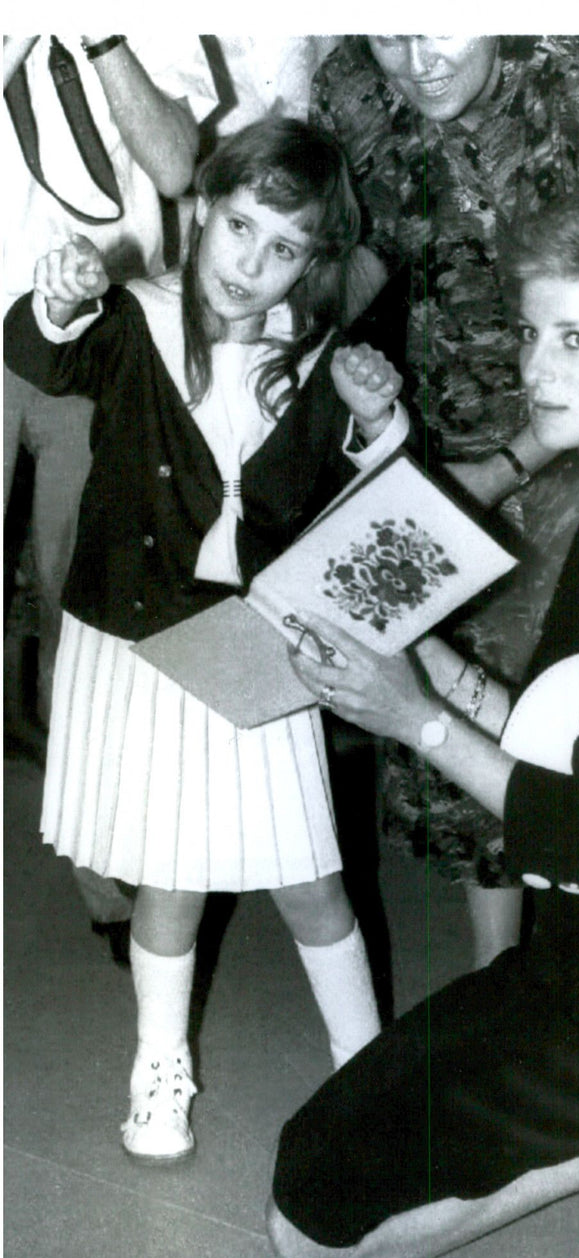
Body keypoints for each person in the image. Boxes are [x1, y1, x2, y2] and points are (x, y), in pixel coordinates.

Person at [266, 183, 579, 1258]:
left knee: (310, 1238)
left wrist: (413, 722)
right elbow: (565, 734)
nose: (533, 368)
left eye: (573, 338)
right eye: (532, 332)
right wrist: (410, 663)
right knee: (312, 1160)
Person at [3, 118, 408, 1164]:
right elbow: (42, 352)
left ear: (313, 263)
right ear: (201, 213)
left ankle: (367, 1070)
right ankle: (158, 1066)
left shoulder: (311, 359)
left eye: (283, 248)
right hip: (147, 643)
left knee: (309, 875)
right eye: (237, 227)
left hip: (254, 647)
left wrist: (373, 426)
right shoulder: (133, 321)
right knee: (171, 878)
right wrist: (53, 299)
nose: (250, 264)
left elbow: (356, 501)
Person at [310, 34, 579, 968]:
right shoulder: (351, 88)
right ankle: (500, 981)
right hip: (437, 439)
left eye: (442, 26)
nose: (413, 59)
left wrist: (509, 468)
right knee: (460, 726)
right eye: (387, 30)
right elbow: (368, 255)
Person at [3, 34, 216, 947]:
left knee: (79, 601)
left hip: (86, 332)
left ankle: (104, 878)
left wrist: (98, 28)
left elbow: (174, 166)